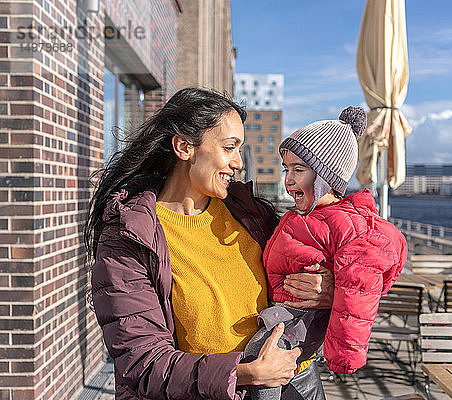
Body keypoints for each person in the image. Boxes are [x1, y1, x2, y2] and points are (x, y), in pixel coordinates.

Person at [85, 88, 334, 400]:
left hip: (295, 386)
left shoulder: (250, 215)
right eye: (229, 147)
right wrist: (245, 373)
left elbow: (312, 266)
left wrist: (328, 288)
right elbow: (142, 363)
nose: (239, 163)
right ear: (184, 147)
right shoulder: (130, 238)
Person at [243, 107, 407, 400]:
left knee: (260, 360)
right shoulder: (305, 216)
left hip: (301, 321)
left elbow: (359, 288)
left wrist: (344, 354)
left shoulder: (344, 223)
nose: (288, 180)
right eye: (286, 169)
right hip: (287, 315)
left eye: (298, 170)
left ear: (325, 176)